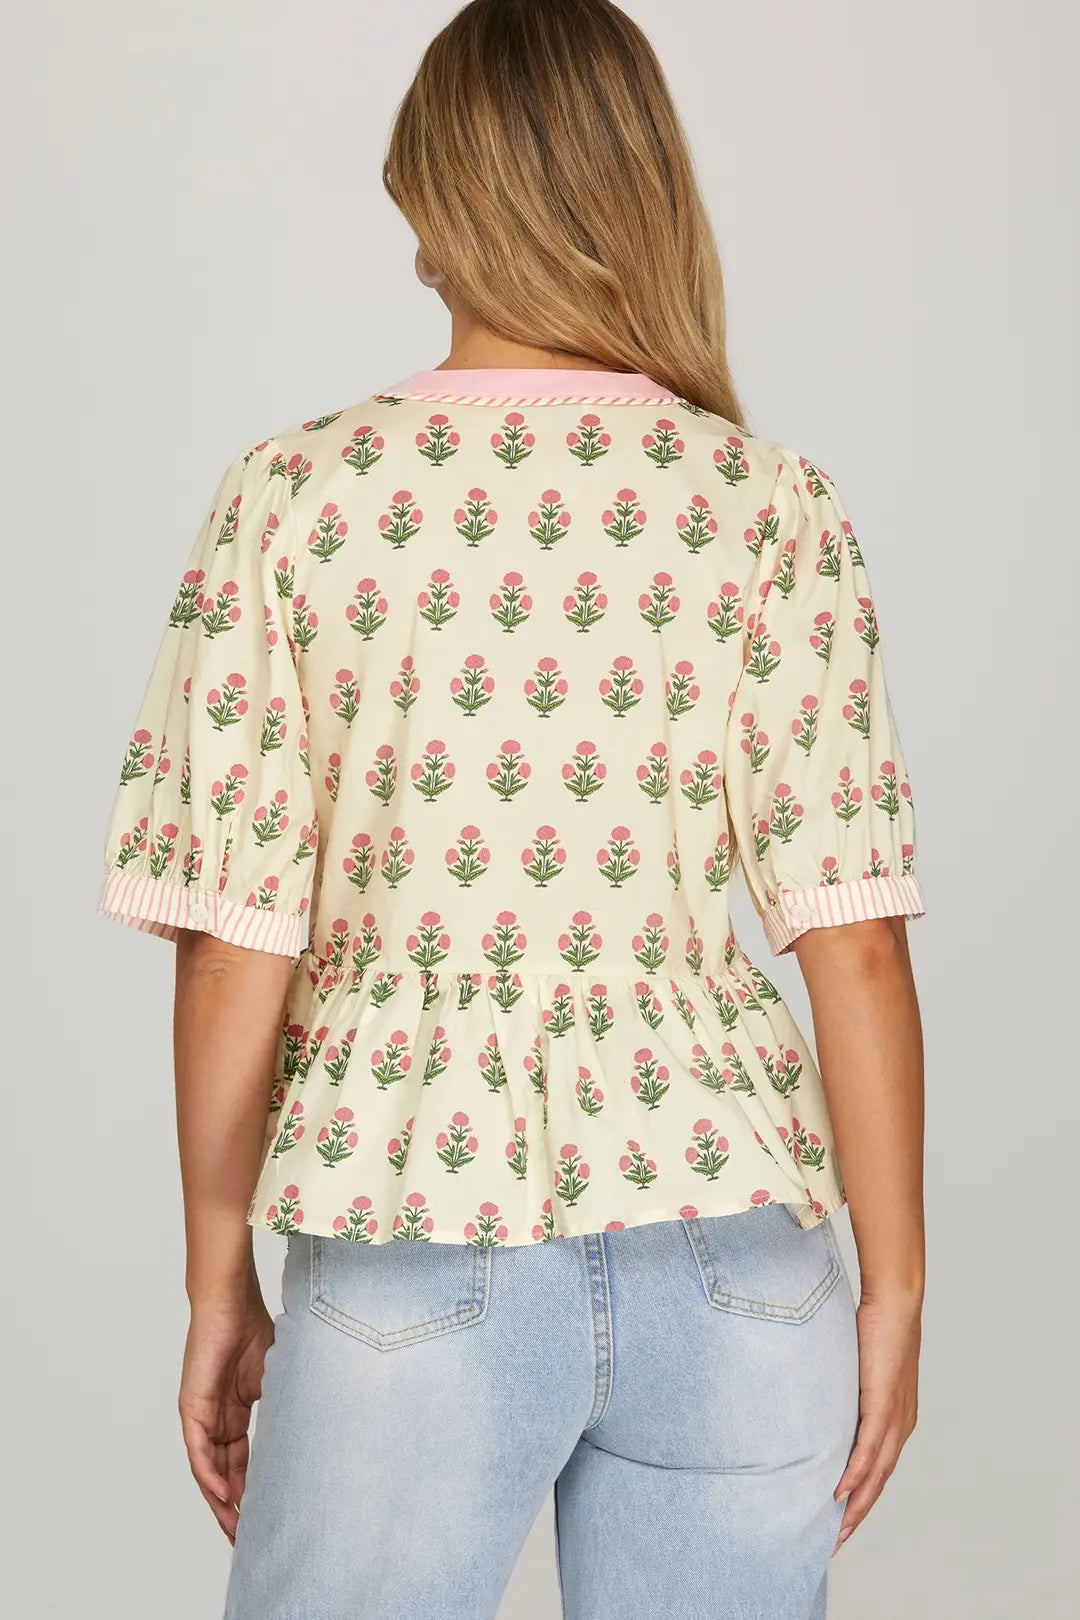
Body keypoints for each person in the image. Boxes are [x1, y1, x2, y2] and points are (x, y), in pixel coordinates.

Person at [96, 2, 926, 1616]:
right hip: (743, 1254)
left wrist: (218, 1273)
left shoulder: (300, 497)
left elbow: (233, 946)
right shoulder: (768, 505)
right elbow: (859, 942)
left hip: (413, 1224)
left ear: (438, 203)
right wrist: (892, 1285)